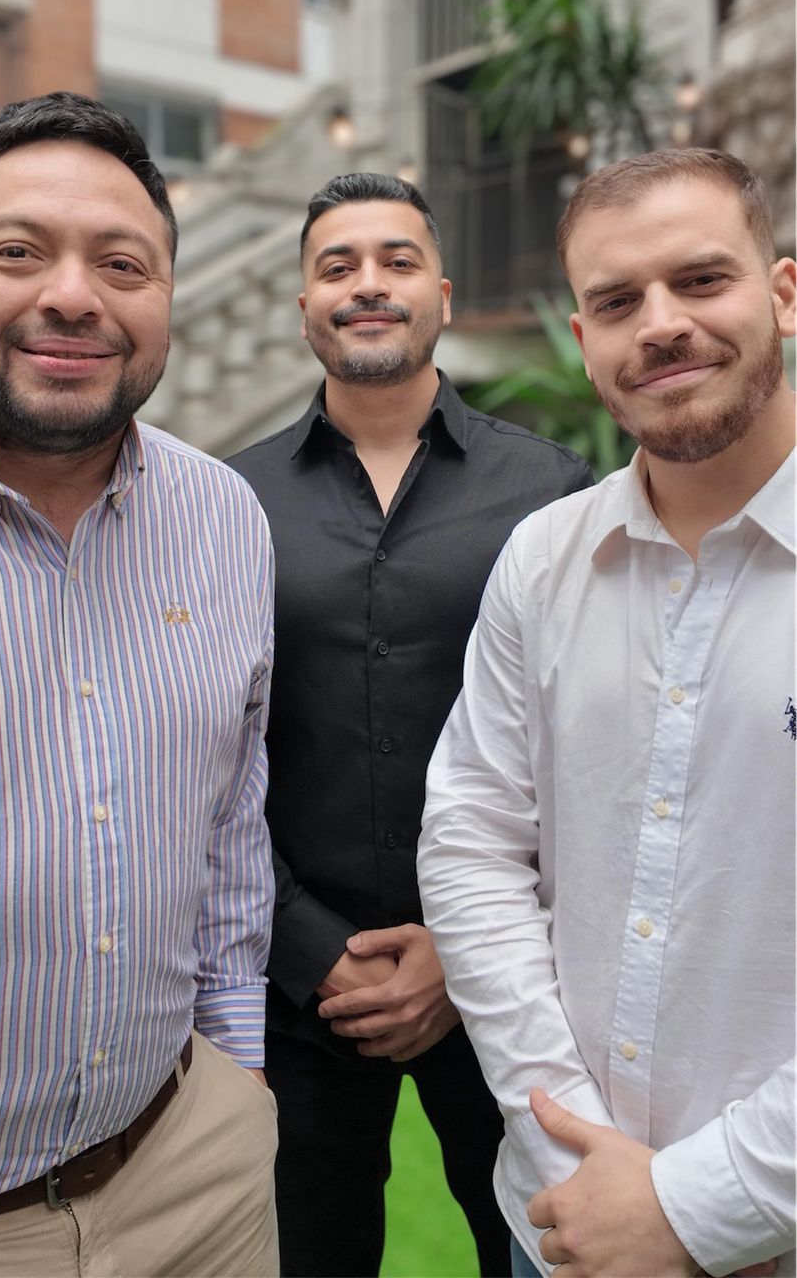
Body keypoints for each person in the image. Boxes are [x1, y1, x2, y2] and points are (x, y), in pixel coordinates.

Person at [0, 93, 279, 1278]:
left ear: (165, 296)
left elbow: (229, 814)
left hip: (194, 1172)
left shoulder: (223, 516)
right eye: (18, 252)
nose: (74, 296)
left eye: (123, 264)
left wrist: (240, 1069)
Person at [418, 148, 796, 1278]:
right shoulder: (544, 559)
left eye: (702, 280)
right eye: (619, 302)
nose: (663, 324)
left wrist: (695, 1206)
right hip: (565, 1223)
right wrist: (574, 1150)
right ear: (584, 341)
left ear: (783, 294)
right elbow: (474, 843)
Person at [228, 171, 592, 1277]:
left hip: (507, 977)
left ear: (441, 291)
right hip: (298, 985)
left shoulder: (554, 493)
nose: (367, 285)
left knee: (537, 1248)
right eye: (337, 266)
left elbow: (584, 753)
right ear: (304, 303)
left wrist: (463, 945)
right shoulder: (226, 503)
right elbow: (204, 756)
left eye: (396, 260)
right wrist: (311, 948)